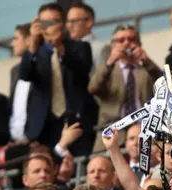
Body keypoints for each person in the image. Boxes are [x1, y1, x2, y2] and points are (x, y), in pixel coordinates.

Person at [20, 2, 97, 156]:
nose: (48, 26)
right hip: (44, 124)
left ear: (63, 24)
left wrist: (59, 46)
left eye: (53, 22)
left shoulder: (80, 47)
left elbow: (82, 69)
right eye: (44, 22)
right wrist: (33, 46)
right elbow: (25, 75)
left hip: (75, 121)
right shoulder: (35, 52)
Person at [89, 24, 160, 152]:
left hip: (145, 132)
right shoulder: (108, 69)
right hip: (112, 133)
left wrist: (148, 61)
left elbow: (167, 88)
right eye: (121, 40)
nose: (126, 43)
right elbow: (93, 88)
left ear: (139, 43)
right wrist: (109, 62)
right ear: (113, 46)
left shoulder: (147, 69)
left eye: (131, 39)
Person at [66, 2, 109, 71]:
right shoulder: (66, 49)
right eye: (68, 21)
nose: (69, 26)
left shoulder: (101, 48)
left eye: (74, 21)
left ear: (89, 22)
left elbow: (102, 78)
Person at [9, 24, 34, 142]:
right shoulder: (14, 71)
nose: (12, 44)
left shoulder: (43, 66)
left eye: (16, 38)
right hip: (16, 141)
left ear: (29, 40)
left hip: (37, 140)